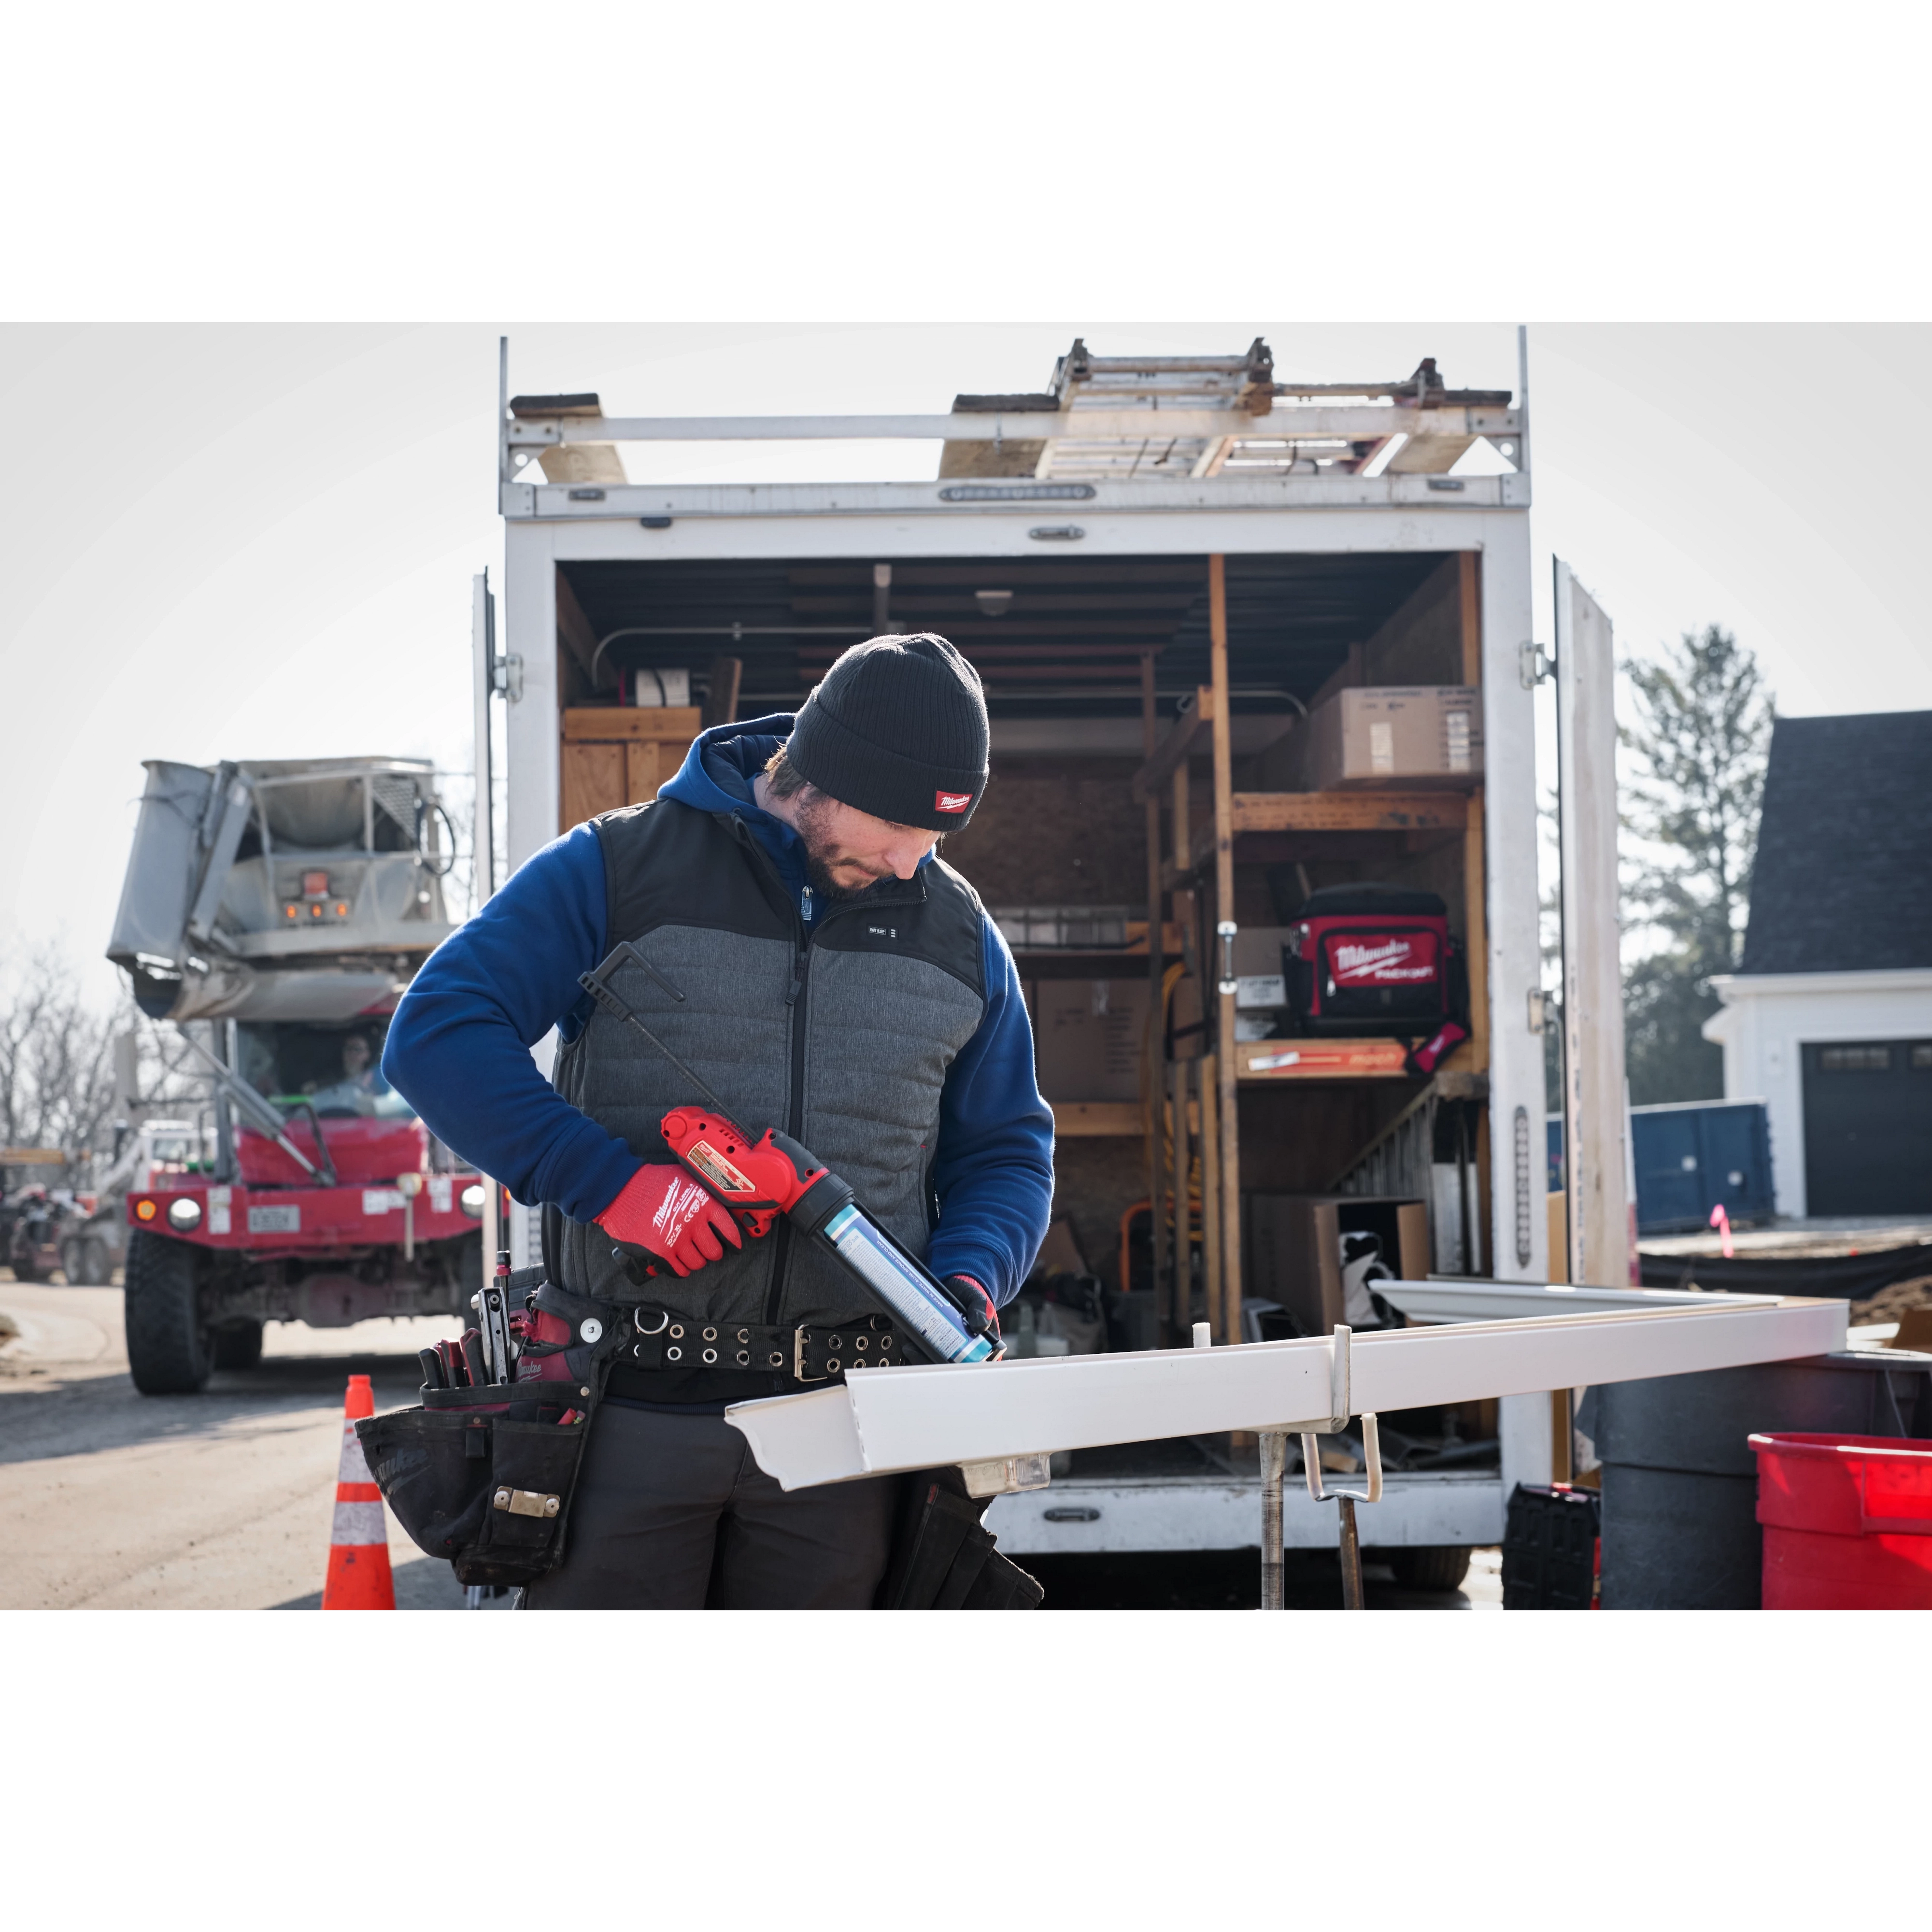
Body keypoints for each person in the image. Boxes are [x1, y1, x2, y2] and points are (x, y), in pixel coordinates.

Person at [384, 634, 1053, 1609]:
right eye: (900, 824)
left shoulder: (961, 935)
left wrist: (962, 1280)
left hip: (847, 1430)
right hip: (627, 1414)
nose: (915, 857)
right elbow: (436, 1033)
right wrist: (611, 1184)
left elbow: (1007, 1149)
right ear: (819, 775)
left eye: (936, 836)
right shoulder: (617, 867)